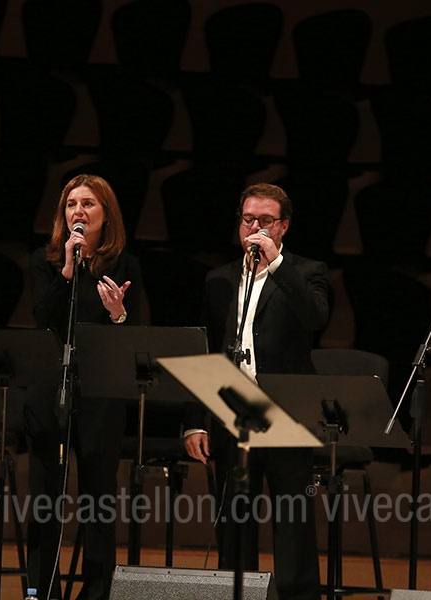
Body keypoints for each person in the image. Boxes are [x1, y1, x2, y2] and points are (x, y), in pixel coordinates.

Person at [183, 183, 327, 600]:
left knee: (292, 520)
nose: (255, 228)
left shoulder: (308, 272)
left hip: (287, 411)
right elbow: (205, 351)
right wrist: (195, 421)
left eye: (266, 220)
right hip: (233, 409)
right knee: (234, 520)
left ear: (283, 226)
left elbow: (315, 317)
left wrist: (276, 264)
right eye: (249, 220)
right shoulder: (219, 279)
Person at [25, 174, 142, 600]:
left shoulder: (125, 265)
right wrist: (67, 272)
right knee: (45, 497)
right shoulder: (46, 261)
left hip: (100, 392)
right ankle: (43, 590)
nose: (78, 211)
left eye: (88, 203)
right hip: (50, 390)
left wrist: (118, 315)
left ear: (106, 215)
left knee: (98, 498)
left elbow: (137, 333)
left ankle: (97, 591)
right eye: (71, 204)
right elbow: (43, 317)